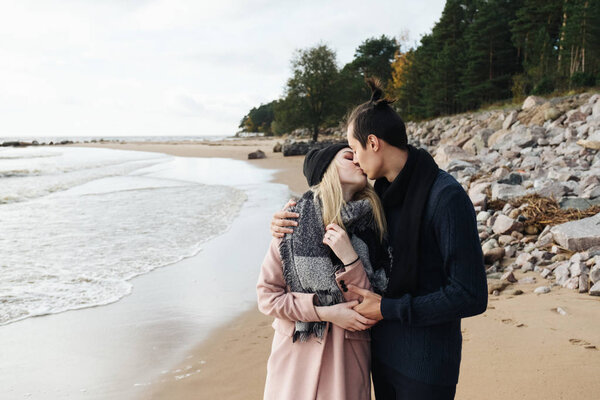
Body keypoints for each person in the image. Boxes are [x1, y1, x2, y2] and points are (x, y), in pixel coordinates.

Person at [270, 79, 488, 400]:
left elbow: (470, 295)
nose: (355, 159)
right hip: (379, 359)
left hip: (425, 366)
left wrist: (389, 308)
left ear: (373, 143)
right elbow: (326, 212)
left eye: (354, 149)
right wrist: (282, 223)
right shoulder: (376, 199)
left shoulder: (445, 197)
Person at [257, 143, 392, 400]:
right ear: (326, 170)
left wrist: (350, 259)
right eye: (349, 156)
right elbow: (267, 297)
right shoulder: (292, 224)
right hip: (295, 359)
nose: (358, 162)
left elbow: (372, 302)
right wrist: (325, 313)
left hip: (346, 361)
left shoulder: (375, 227)